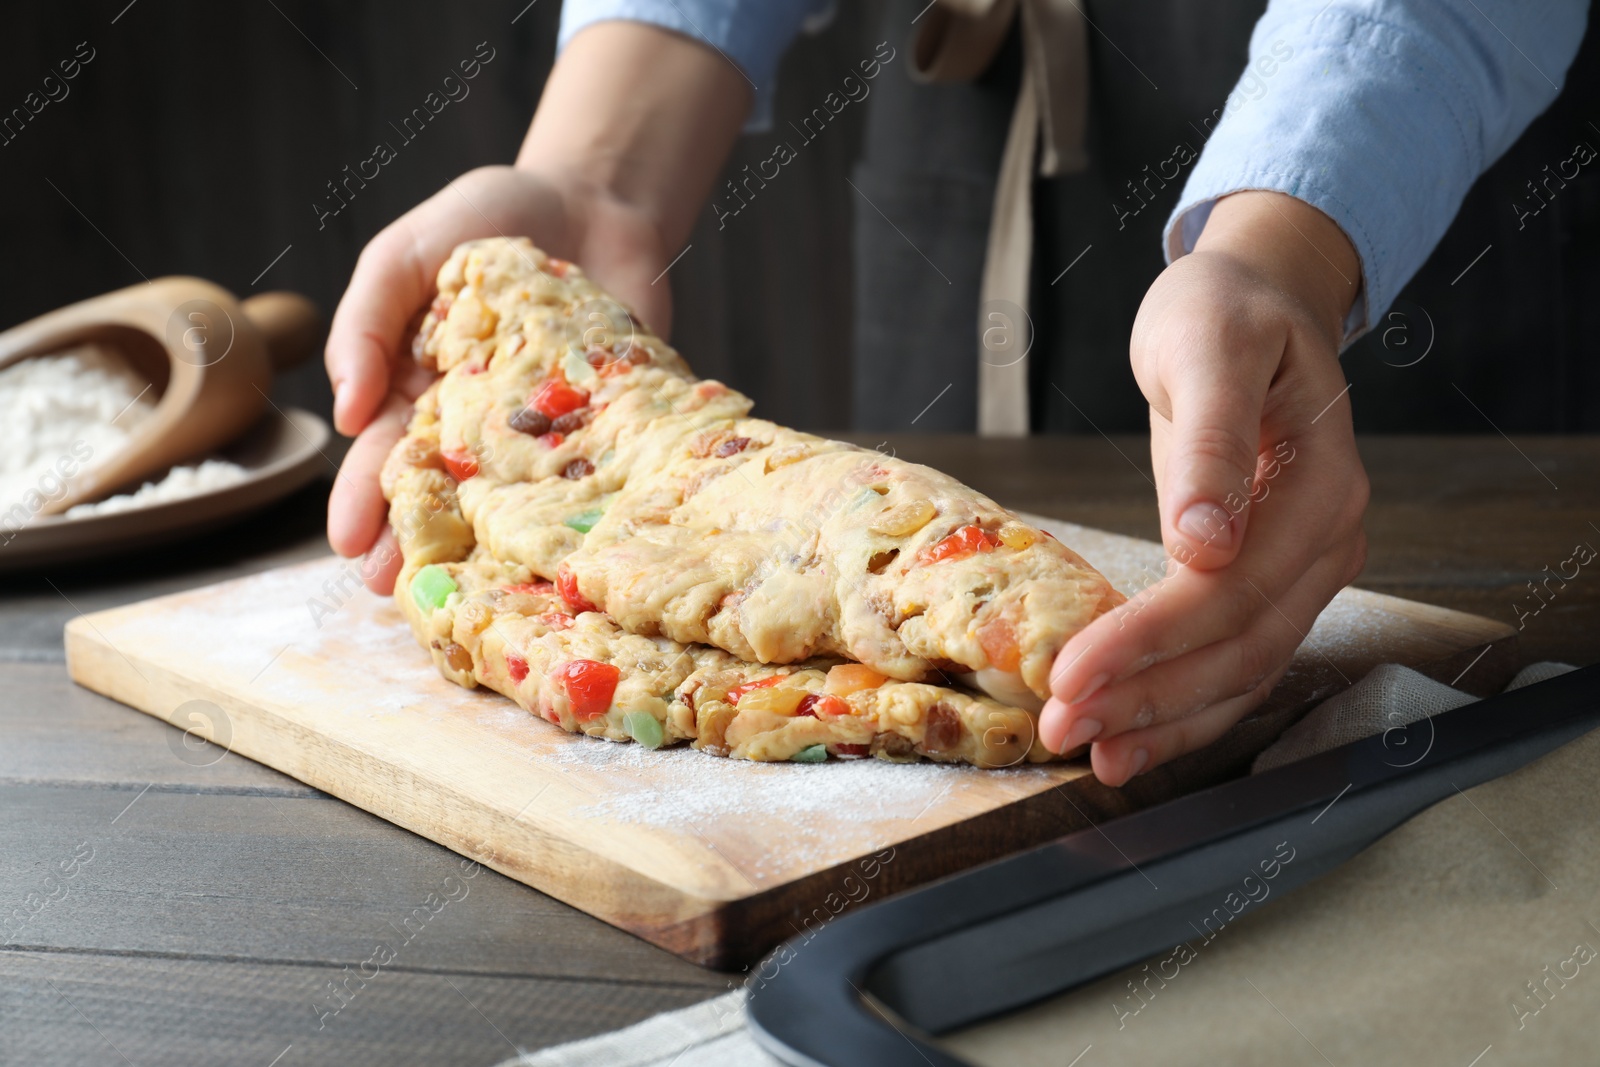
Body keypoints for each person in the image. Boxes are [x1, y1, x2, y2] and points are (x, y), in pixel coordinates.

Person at [323, 0, 1587, 786]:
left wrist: (1285, 256)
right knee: (882, 582)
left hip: (1407, 192)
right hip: (972, 138)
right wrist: (600, 177)